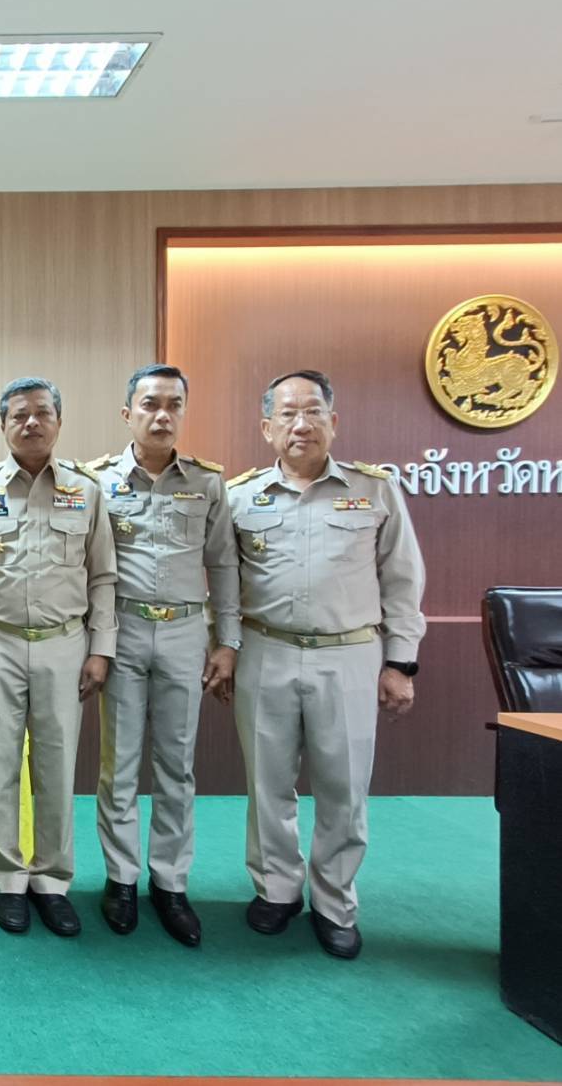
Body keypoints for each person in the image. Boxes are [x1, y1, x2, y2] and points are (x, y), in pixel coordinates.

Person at [228, 370, 424, 960]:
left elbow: (404, 581)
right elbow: (225, 585)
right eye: (286, 414)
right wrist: (226, 649)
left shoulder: (376, 491)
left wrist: (401, 664)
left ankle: (336, 902)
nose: (300, 424)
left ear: (333, 423)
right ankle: (278, 890)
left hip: (350, 656)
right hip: (265, 651)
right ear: (267, 428)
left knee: (343, 787)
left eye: (313, 412)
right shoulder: (240, 497)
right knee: (268, 783)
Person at [0, 377, 117, 937]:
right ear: (3, 426)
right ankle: (9, 879)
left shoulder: (86, 491)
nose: (32, 423)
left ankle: (52, 879)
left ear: (59, 422)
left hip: (65, 644)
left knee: (57, 765)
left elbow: (104, 577)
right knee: (1, 768)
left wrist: (101, 649)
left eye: (43, 413)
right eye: (19, 415)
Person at [85, 364, 239, 947]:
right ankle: (121, 879)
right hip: (122, 629)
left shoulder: (206, 483)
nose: (162, 415)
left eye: (174, 404)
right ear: (128, 414)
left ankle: (170, 883)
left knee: (176, 765)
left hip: (183, 632)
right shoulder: (97, 481)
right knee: (118, 764)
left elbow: (224, 565)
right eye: (150, 404)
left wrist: (227, 642)